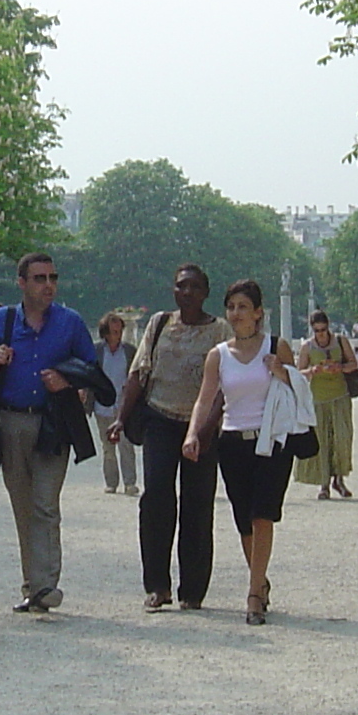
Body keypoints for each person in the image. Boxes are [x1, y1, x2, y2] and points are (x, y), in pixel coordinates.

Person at [0, 252, 96, 613]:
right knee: (23, 505)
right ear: (21, 283)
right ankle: (33, 586)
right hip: (11, 423)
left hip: (53, 423)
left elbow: (91, 368)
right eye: (39, 278)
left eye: (52, 277)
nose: (48, 285)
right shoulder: (1, 320)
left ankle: (46, 584)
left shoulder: (70, 323)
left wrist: (67, 380)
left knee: (45, 505)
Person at [111, 264, 231, 611]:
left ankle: (193, 589)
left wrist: (207, 428)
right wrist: (120, 418)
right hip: (160, 419)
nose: (187, 293)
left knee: (197, 504)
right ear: (174, 291)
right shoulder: (160, 323)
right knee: (157, 498)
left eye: (195, 287)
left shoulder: (219, 330)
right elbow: (140, 372)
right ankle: (157, 585)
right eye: (181, 286)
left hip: (202, 425)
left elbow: (225, 383)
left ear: (206, 293)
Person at [184, 280, 304, 625]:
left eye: (242, 307)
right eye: (231, 306)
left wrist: (281, 372)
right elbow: (205, 400)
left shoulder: (276, 346)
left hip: (271, 441)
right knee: (243, 520)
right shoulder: (218, 356)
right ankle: (260, 579)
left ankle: (253, 594)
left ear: (257, 313)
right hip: (233, 441)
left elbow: (297, 390)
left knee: (263, 513)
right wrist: (193, 434)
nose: (236, 314)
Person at [293, 309, 358, 500]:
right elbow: (299, 372)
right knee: (321, 442)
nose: (321, 334)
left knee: (342, 438)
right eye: (317, 330)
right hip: (318, 399)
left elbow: (353, 364)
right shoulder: (307, 346)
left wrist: (340, 367)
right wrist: (313, 370)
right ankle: (324, 484)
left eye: (323, 330)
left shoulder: (340, 341)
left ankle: (339, 478)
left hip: (340, 396)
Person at [93, 311, 138, 497]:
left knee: (126, 445)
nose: (117, 336)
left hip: (123, 405)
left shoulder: (129, 351)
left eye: (119, 332)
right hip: (102, 406)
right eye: (113, 332)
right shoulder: (96, 351)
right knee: (107, 447)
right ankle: (111, 482)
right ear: (105, 333)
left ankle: (130, 483)